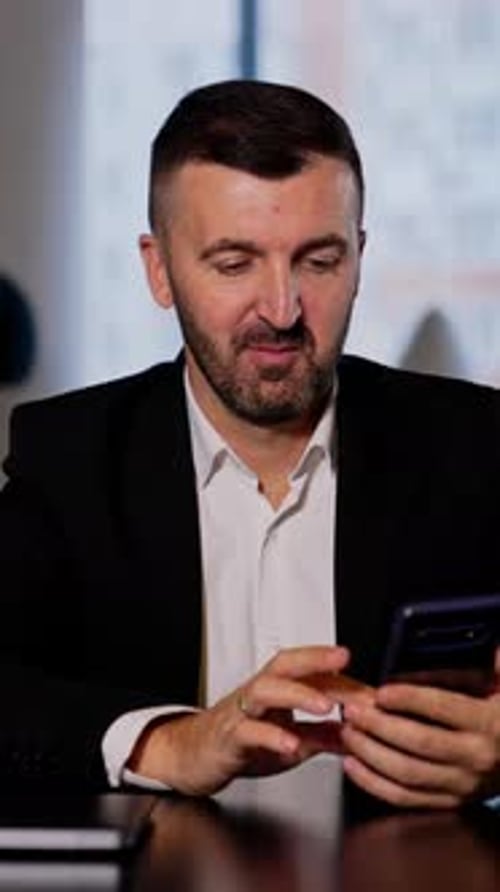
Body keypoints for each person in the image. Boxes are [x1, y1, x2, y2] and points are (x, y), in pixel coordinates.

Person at [1, 80, 500, 806]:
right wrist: (168, 742)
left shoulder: (477, 445)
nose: (282, 308)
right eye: (234, 263)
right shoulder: (68, 455)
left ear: (359, 257)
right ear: (158, 269)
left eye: (320, 261)